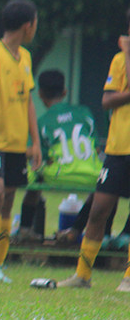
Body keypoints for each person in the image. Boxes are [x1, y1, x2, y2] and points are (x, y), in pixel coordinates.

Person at [58, 7, 130, 292]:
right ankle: (82, 274)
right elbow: (107, 101)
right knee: (99, 210)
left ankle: (127, 278)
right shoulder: (117, 60)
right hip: (116, 148)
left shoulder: (124, 56)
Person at [0, 0, 43, 283]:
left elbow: (28, 102)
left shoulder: (24, 57)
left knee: (8, 201)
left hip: (17, 144)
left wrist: (35, 142)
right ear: (28, 25)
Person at [17, 69, 100, 242]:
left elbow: (38, 155)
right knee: (103, 189)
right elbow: (97, 148)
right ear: (64, 92)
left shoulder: (42, 122)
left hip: (58, 175)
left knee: (35, 179)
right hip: (91, 176)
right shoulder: (84, 112)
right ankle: (76, 231)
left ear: (39, 93)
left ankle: (24, 230)